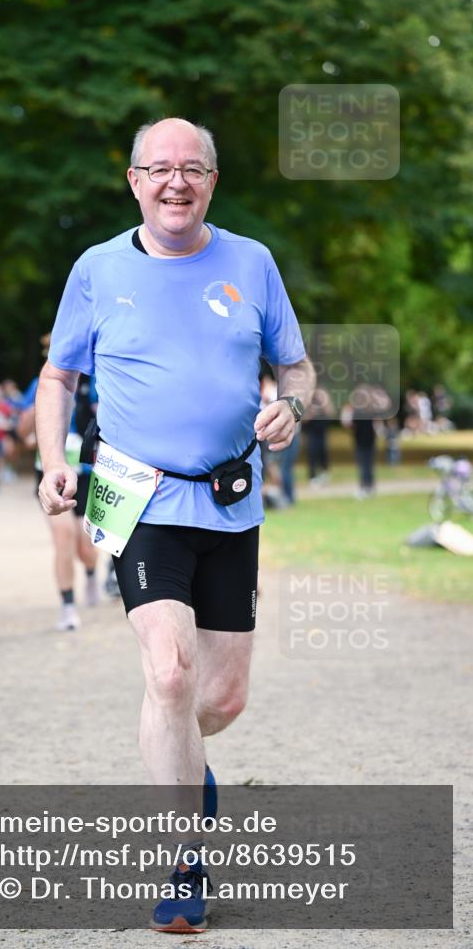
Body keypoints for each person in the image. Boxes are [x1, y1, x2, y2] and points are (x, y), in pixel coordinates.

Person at [35, 118, 315, 931]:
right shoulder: (95, 269)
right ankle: (182, 861)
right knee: (168, 674)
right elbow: (57, 375)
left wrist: (291, 404)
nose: (175, 183)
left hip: (230, 499)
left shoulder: (252, 263)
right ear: (133, 180)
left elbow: (294, 363)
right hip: (134, 495)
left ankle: (182, 761)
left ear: (212, 182)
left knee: (218, 700)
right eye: (158, 169)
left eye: (192, 170)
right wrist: (54, 458)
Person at [21, 338, 100, 630]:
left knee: (83, 544)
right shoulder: (39, 384)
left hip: (84, 473)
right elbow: (21, 431)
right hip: (49, 473)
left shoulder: (93, 381)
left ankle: (91, 573)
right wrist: (31, 417)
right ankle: (68, 605)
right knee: (63, 536)